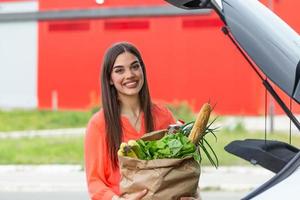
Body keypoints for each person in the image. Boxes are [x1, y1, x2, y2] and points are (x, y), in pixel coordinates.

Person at [84, 42, 199, 200]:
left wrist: (192, 195)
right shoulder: (99, 124)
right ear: (110, 79)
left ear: (142, 70)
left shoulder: (163, 116)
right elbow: (95, 182)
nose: (130, 75)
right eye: (119, 70)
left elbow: (180, 165)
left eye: (134, 66)